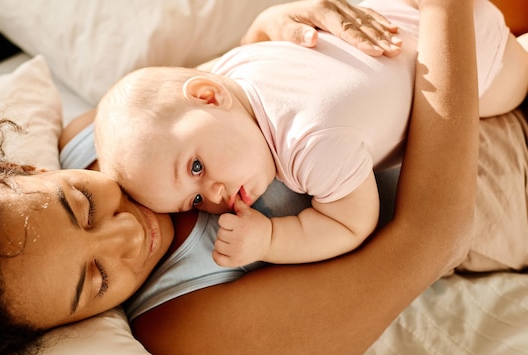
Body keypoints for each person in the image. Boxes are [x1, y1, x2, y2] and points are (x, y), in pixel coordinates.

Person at [0, 0, 525, 355]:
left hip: (423, 59)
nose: (128, 233)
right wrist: (446, 10)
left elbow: (225, 95)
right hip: (486, 158)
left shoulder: (94, 135)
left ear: (23, 169)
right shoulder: (198, 343)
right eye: (94, 281)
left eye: (79, 206)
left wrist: (278, 28)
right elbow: (434, 234)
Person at [92, 0, 528, 267]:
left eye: (196, 167)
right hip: (409, 13)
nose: (216, 194)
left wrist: (270, 240)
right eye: (195, 201)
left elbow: (350, 223)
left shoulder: (308, 152)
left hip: (478, 64)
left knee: (520, 76)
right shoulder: (234, 68)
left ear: (208, 97)